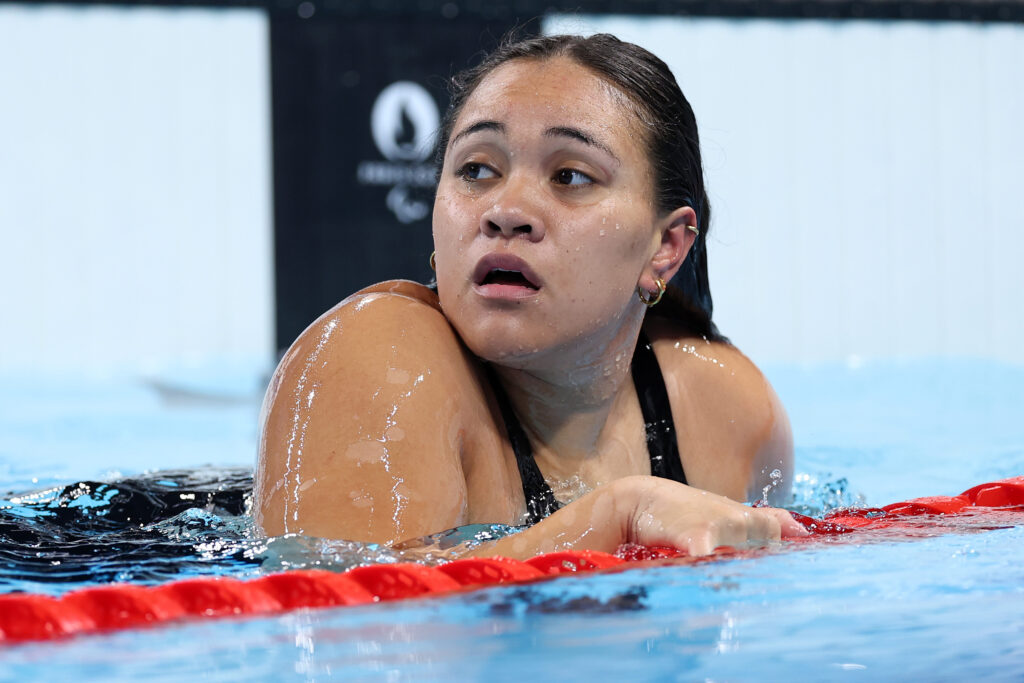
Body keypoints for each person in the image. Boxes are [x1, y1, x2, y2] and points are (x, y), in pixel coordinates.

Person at [254, 33, 807, 558]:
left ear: (665, 246)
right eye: (476, 169)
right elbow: (347, 619)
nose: (505, 211)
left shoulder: (727, 415)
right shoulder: (377, 362)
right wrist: (616, 515)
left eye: (569, 176)